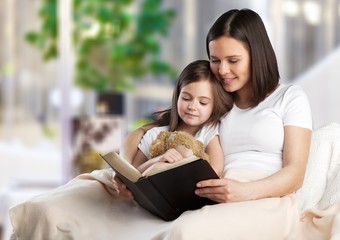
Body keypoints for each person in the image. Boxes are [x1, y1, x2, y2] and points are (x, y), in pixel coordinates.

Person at [10, 8, 339, 240]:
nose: (222, 69)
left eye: (233, 60)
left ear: (258, 54)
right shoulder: (214, 99)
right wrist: (128, 174)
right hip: (202, 190)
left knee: (184, 233)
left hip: (260, 196)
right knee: (54, 208)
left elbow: (295, 173)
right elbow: (155, 130)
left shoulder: (289, 98)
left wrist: (244, 191)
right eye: (215, 60)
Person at [131, 60, 232, 177]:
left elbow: (215, 170)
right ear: (178, 96)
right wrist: (158, 160)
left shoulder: (209, 132)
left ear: (214, 105)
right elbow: (133, 172)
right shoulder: (154, 134)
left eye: (203, 103)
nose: (192, 107)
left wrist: (178, 164)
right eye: (186, 98)